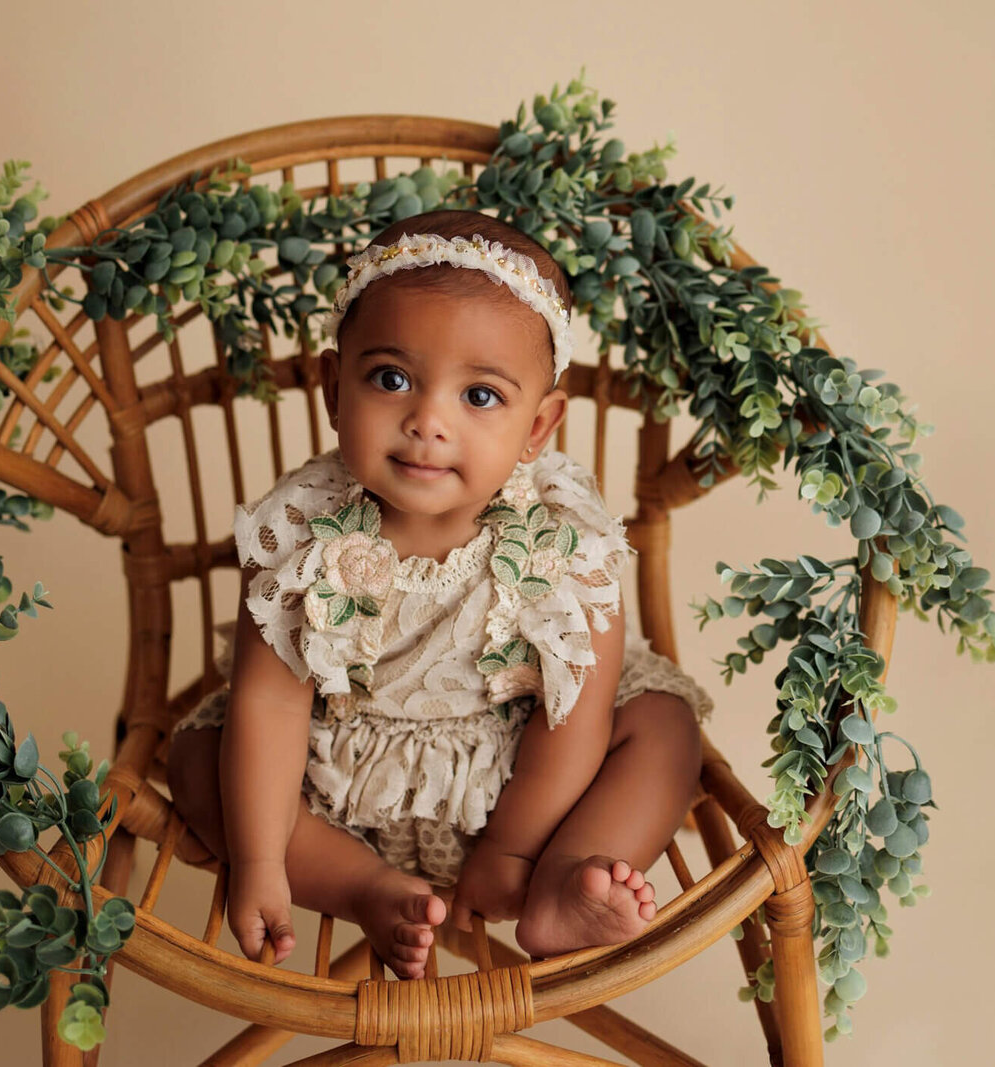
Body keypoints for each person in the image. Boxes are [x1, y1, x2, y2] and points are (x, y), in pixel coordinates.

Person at [167, 209, 714, 979]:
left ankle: (562, 879)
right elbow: (270, 704)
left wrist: (513, 845)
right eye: (392, 379)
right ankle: (366, 888)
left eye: (481, 396)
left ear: (538, 426)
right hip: (337, 793)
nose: (427, 420)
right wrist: (259, 861)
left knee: (664, 729)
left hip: (533, 787)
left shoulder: (562, 538)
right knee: (196, 758)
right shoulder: (301, 534)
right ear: (333, 388)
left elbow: (575, 714)